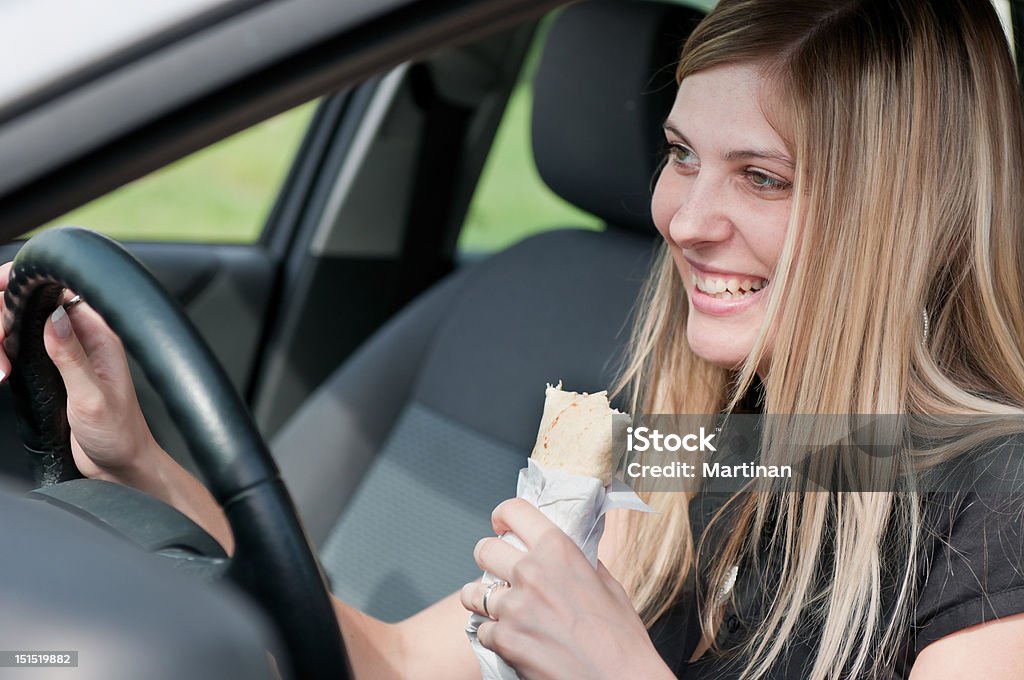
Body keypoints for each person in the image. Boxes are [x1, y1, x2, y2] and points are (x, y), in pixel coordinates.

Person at [3, 0, 1024, 677]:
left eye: (761, 177)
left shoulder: (995, 506)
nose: (684, 218)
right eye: (679, 154)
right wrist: (136, 460)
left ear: (901, 213)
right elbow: (393, 658)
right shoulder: (697, 440)